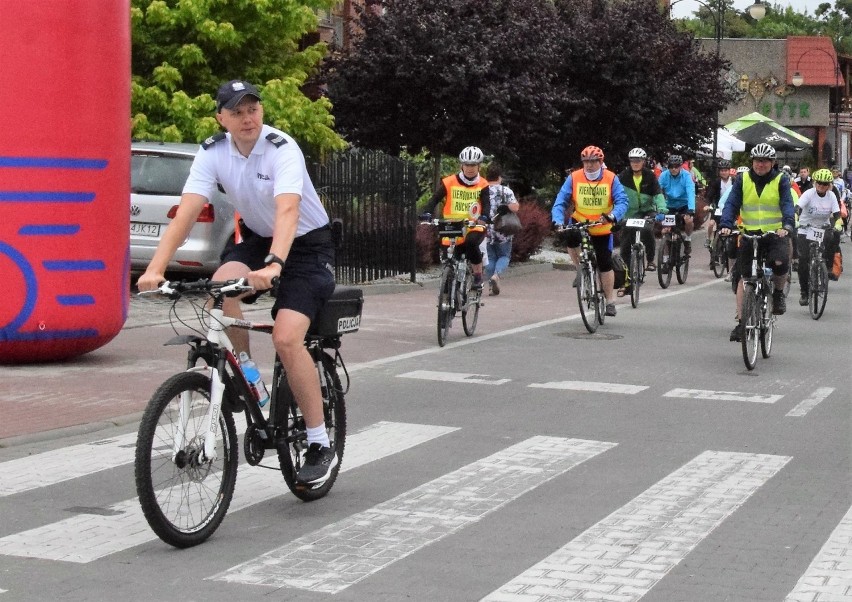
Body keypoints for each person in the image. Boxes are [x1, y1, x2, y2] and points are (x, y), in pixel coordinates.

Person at [137, 80, 338, 484]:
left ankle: (319, 442)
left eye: (254, 109)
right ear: (221, 118)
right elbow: (188, 210)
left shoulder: (282, 148)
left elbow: (289, 210)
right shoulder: (213, 152)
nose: (248, 118)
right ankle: (245, 370)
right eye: (238, 111)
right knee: (221, 285)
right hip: (261, 240)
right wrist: (154, 269)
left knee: (286, 338)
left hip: (307, 246)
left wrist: (276, 263)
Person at [719, 143, 795, 342]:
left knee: (780, 262)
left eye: (765, 161)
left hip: (775, 234)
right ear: (752, 162)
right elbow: (732, 203)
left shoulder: (781, 180)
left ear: (772, 163)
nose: (760, 164)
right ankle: (741, 322)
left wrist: (787, 225)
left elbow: (787, 204)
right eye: (757, 160)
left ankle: (778, 293)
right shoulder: (742, 179)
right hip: (749, 234)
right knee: (744, 278)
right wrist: (726, 224)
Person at [552, 145, 628, 317]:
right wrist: (557, 221)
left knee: (604, 262)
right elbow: (560, 201)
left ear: (600, 162)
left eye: (593, 161)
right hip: (579, 221)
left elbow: (622, 201)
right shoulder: (574, 177)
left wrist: (613, 215)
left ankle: (610, 301)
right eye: (586, 161)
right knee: (570, 237)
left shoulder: (611, 178)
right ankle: (580, 269)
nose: (589, 165)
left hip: (601, 226)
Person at [424, 146, 490, 288]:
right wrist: (427, 213)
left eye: (473, 165)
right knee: (450, 255)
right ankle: (448, 287)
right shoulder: (449, 182)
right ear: (461, 165)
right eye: (467, 164)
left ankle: (478, 276)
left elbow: (486, 204)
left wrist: (484, 217)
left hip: (473, 226)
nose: (470, 168)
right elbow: (434, 199)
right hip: (452, 225)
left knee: (472, 244)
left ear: (479, 166)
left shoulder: (483, 184)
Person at [616, 147, 666, 276]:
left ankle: (650, 260)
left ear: (643, 161)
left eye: (638, 160)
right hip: (630, 212)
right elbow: (615, 194)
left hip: (647, 211)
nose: (635, 163)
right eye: (632, 161)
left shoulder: (650, 176)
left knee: (647, 230)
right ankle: (626, 269)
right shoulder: (623, 176)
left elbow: (658, 194)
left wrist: (661, 210)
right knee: (626, 239)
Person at [795, 168, 841, 305]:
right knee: (803, 260)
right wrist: (796, 219)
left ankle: (826, 267)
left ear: (829, 185)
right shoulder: (809, 194)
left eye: (825, 184)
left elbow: (837, 214)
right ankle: (804, 292)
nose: (821, 186)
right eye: (819, 183)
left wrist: (838, 223)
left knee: (833, 237)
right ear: (815, 183)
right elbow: (797, 208)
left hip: (822, 227)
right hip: (805, 227)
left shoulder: (831, 196)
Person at [483, 163, 520, 295]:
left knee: (490, 257)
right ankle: (496, 276)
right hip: (503, 229)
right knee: (504, 255)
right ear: (499, 177)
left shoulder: (483, 190)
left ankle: (490, 280)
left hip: (486, 229)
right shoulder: (506, 191)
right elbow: (515, 207)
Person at [657, 154, 696, 257]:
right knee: (665, 231)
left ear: (680, 166)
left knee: (689, 220)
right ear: (668, 167)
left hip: (684, 204)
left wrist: (691, 209)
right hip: (669, 205)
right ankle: (665, 258)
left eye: (676, 167)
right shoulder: (663, 176)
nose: (674, 169)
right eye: (671, 167)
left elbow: (691, 192)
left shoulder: (687, 176)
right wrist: (657, 206)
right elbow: (657, 192)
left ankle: (688, 239)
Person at [703, 159, 733, 259]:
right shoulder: (715, 182)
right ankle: (709, 239)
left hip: (730, 207)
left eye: (725, 170)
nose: (723, 172)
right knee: (711, 224)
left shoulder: (734, 181)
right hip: (717, 207)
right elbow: (709, 195)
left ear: (729, 171)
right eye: (721, 170)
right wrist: (708, 205)